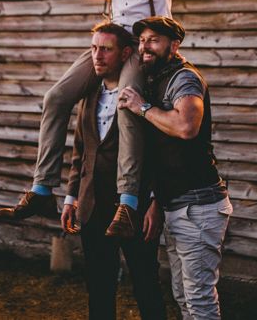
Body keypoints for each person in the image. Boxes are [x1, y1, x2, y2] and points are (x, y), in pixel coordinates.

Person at [0, 0, 210, 236]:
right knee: (56, 98)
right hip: (111, 39)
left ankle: (128, 204)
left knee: (127, 103)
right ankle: (43, 189)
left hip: (141, 45)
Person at [118, 16, 232, 320]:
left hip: (198, 204)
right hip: (175, 203)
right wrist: (157, 201)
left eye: (154, 40)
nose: (145, 47)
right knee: (183, 295)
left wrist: (142, 108)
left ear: (174, 45)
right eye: (142, 41)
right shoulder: (158, 78)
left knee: (198, 299)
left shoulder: (184, 78)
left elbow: (186, 127)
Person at [61, 22, 166, 320]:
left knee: (146, 285)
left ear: (125, 54)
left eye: (106, 49)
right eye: (94, 48)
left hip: (134, 209)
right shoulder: (89, 93)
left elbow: (160, 152)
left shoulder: (145, 95)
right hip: (93, 207)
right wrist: (71, 198)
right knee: (99, 287)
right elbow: (80, 151)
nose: (97, 56)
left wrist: (157, 202)